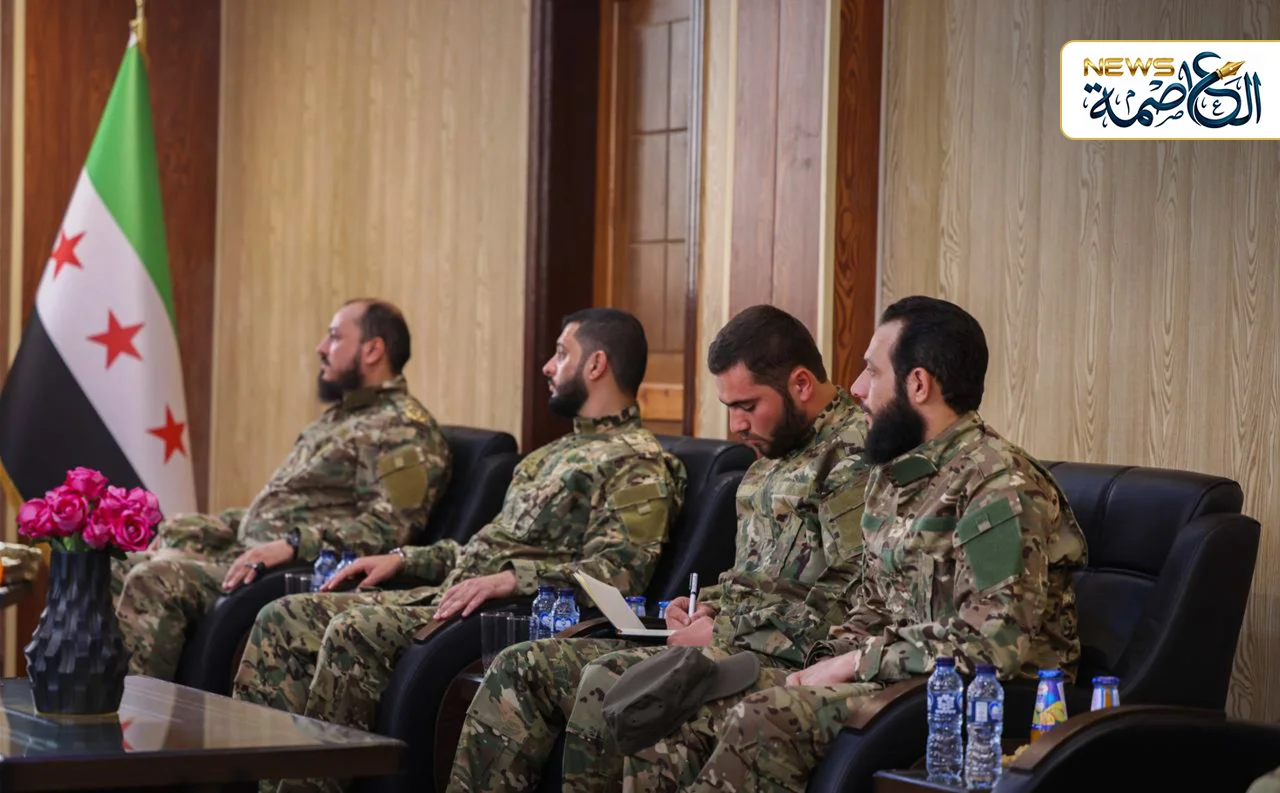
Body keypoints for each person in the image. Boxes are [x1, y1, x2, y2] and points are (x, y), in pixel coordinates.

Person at [617, 295, 1090, 793]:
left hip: (975, 703)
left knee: (767, 715)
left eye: (872, 371)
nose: (858, 388)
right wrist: (818, 662)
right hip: (889, 682)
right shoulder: (896, 476)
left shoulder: (999, 486)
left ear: (918, 384)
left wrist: (855, 662)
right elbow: (872, 608)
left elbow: (994, 643)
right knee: (678, 702)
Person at [232, 307, 687, 793]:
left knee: (353, 629)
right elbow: (481, 550)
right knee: (286, 615)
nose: (547, 367)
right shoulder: (550, 455)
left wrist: (512, 580)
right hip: (451, 596)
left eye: (561, 354)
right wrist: (405, 558)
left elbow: (619, 574)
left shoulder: (638, 463)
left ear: (595, 365)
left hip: (508, 618)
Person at [446, 304, 872, 793]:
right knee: (521, 665)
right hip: (727, 639)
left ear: (800, 384)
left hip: (781, 660)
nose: (736, 424)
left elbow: (847, 603)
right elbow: (757, 578)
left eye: (747, 406)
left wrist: (723, 627)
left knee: (614, 681)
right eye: (729, 407)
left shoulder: (852, 458)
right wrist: (704, 605)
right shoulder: (771, 451)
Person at [111, 298, 451, 681]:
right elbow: (282, 510)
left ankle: (134, 714)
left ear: (373, 350)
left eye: (335, 337)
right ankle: (90, 707)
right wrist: (191, 527)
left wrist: (296, 544)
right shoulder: (340, 418)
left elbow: (391, 529)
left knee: (155, 577)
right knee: (117, 563)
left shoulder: (404, 429)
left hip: (300, 573)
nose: (321, 347)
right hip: (248, 555)